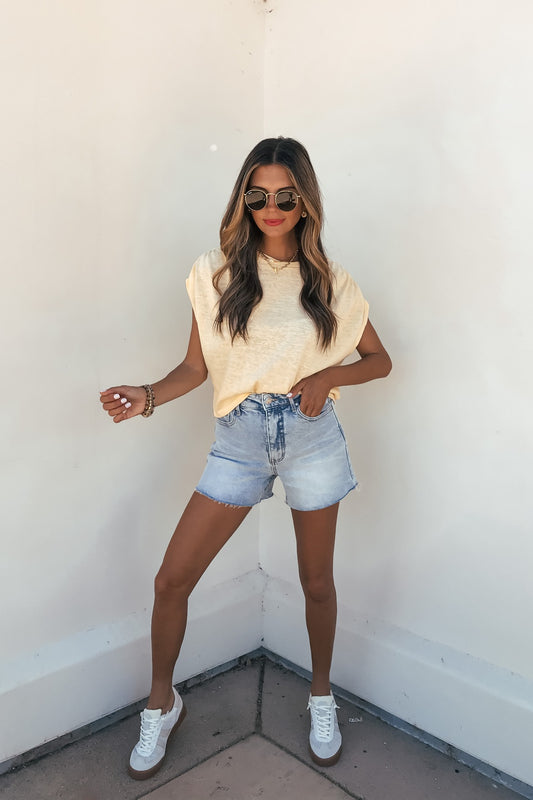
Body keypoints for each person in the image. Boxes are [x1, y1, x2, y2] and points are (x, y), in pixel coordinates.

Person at [100, 136, 392, 780]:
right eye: (257, 194)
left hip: (312, 434)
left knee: (317, 582)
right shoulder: (216, 274)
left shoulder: (331, 281)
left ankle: (320, 695)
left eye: (285, 195)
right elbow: (193, 368)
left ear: (304, 199)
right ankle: (161, 701)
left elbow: (380, 360)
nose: (270, 206)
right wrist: (146, 395)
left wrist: (326, 378)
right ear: (244, 198)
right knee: (171, 579)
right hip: (239, 436)